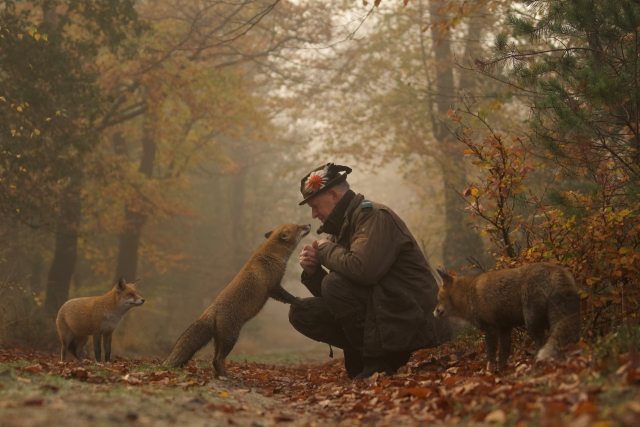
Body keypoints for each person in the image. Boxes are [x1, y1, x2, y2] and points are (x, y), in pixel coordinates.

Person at [289, 163, 452, 379]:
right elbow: (338, 299)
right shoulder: (341, 229)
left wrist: (326, 250)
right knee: (301, 312)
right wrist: (313, 273)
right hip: (386, 315)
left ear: (334, 195)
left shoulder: (372, 215)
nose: (313, 214)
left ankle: (378, 363)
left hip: (412, 319)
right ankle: (375, 357)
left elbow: (364, 271)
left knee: (334, 283)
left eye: (316, 206)